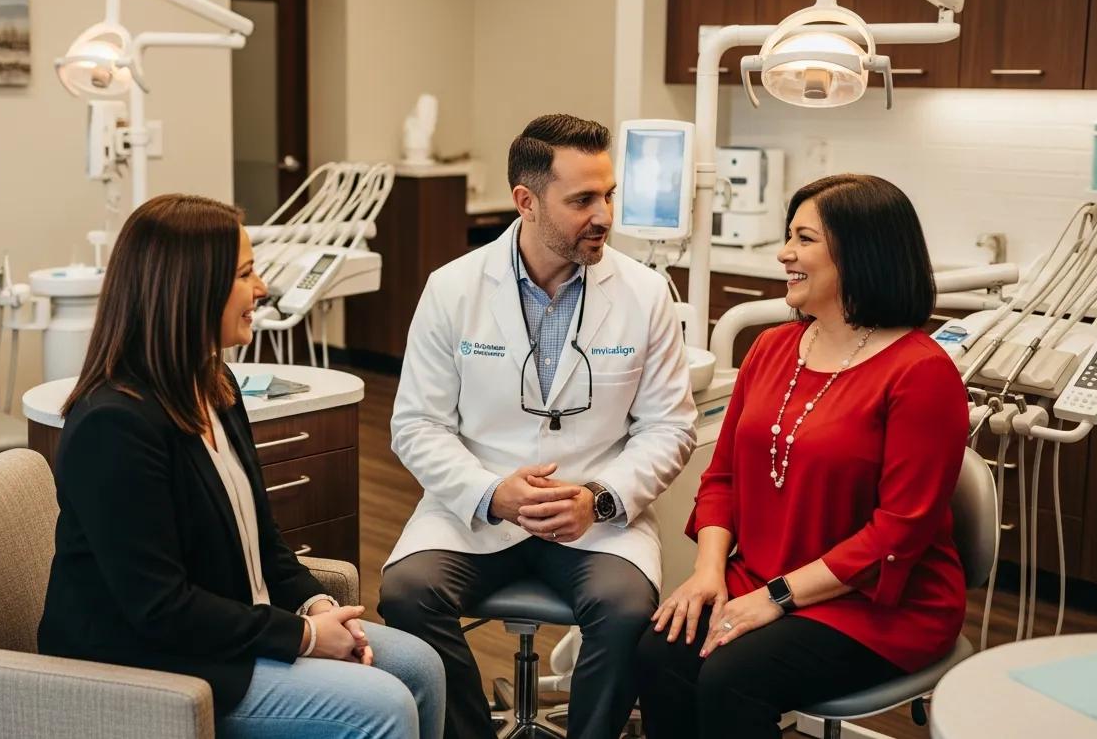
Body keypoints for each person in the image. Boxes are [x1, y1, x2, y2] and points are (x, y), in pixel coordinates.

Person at [37, 193, 444, 739]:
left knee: (421, 667)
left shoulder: (216, 386)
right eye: (245, 274)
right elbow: (160, 608)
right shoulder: (113, 425)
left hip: (233, 632)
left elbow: (264, 541)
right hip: (154, 664)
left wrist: (316, 604)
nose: (263, 289)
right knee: (385, 705)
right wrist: (304, 638)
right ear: (190, 289)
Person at [378, 114, 699, 738]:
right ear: (526, 201)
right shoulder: (453, 289)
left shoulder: (645, 293)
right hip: (475, 509)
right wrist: (490, 492)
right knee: (407, 593)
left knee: (626, 609)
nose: (604, 216)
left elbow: (670, 427)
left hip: (596, 517)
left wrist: (597, 498)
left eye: (608, 196)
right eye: (582, 200)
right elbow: (416, 423)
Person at [629, 174, 968, 738]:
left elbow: (898, 532)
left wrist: (778, 598)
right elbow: (722, 477)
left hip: (878, 605)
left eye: (804, 239)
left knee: (733, 677)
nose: (784, 253)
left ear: (859, 255)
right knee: (660, 652)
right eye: (789, 236)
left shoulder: (921, 373)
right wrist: (708, 574)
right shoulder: (771, 348)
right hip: (760, 577)